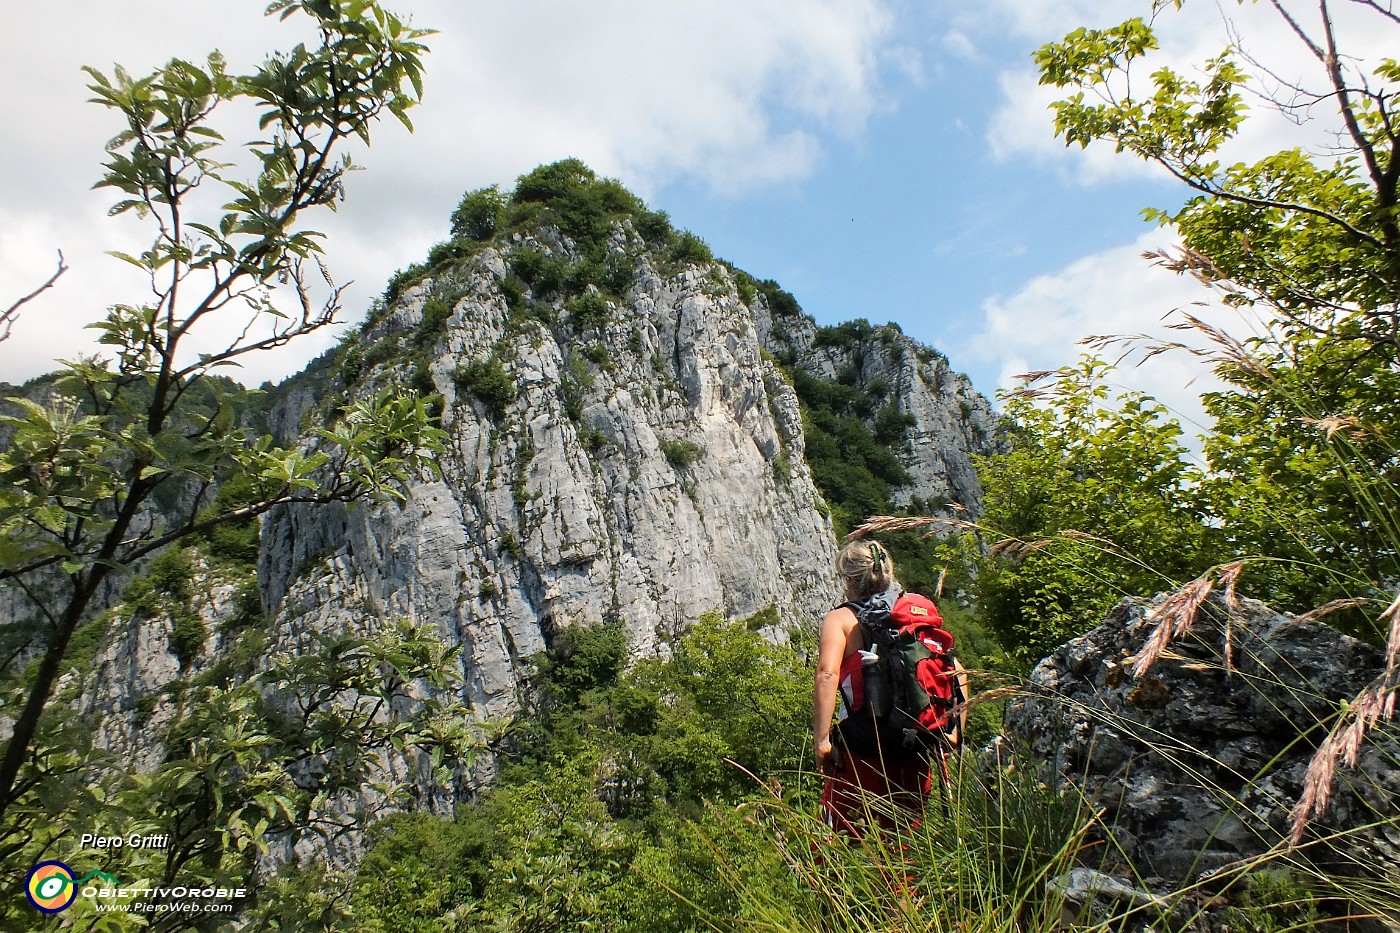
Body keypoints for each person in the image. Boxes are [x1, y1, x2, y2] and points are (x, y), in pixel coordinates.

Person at [813, 539, 966, 836]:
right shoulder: (915, 612)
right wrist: (952, 731)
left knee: (840, 844)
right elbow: (956, 668)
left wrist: (822, 741)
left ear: (848, 581)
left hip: (865, 750)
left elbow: (827, 675)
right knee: (902, 846)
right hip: (918, 749)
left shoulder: (842, 620)